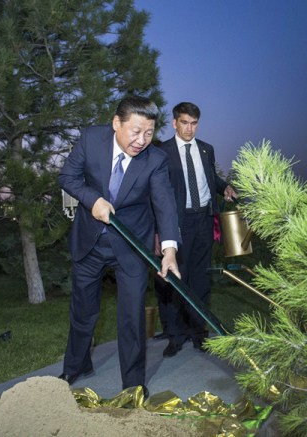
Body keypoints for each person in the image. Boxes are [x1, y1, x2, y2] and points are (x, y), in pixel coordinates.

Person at [58, 96, 181, 397]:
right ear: (116, 123)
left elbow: (164, 204)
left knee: (131, 316)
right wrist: (92, 200)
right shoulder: (91, 139)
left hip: (131, 245)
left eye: (149, 133)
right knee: (83, 311)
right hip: (90, 241)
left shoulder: (155, 160)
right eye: (136, 131)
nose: (142, 141)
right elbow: (68, 177)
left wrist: (169, 249)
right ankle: (76, 365)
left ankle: (133, 383)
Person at [156, 102, 237, 358]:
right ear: (174, 122)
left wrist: (223, 187)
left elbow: (208, 178)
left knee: (201, 278)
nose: (189, 128)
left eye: (193, 123)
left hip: (204, 220)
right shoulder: (163, 152)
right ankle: (175, 336)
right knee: (177, 279)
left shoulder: (206, 150)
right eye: (184, 122)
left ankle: (199, 333)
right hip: (178, 224)